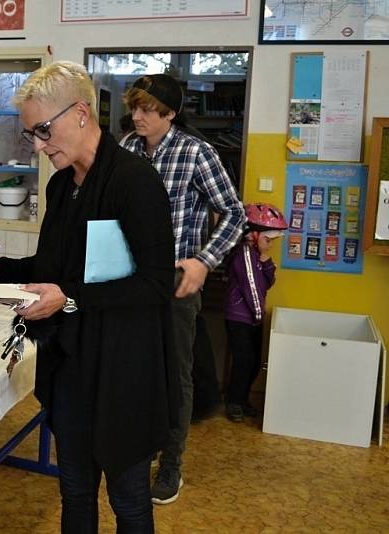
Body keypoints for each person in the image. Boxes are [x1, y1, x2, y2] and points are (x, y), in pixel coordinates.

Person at [0, 61, 179, 533]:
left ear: (81, 112)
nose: (39, 146)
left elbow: (157, 284)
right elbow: (53, 268)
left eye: (43, 130)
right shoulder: (63, 186)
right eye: (31, 135)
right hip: (74, 369)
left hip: (125, 371)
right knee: (75, 492)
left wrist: (70, 300)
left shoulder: (134, 182)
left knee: (128, 501)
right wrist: (1, 270)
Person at [121, 73, 245, 505]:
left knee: (176, 372)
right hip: (129, 278)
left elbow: (234, 213)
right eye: (133, 108)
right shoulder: (126, 149)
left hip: (176, 280)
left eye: (147, 109)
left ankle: (171, 463)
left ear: (170, 113)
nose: (137, 116)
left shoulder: (197, 154)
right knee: (137, 366)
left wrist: (203, 261)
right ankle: (140, 447)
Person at [224, 203, 287, 422]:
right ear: (253, 234)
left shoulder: (257, 255)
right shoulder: (243, 254)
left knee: (253, 362)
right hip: (241, 317)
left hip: (253, 316)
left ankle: (242, 399)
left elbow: (266, 284)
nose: (269, 245)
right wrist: (259, 314)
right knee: (243, 362)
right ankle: (233, 402)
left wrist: (267, 263)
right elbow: (251, 286)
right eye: (267, 240)